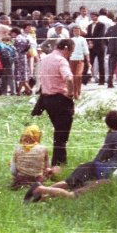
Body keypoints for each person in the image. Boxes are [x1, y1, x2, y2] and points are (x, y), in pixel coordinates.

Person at [33, 38, 76, 167]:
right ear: (66, 48)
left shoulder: (45, 59)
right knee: (61, 135)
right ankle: (59, 164)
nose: (70, 55)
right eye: (71, 52)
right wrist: (71, 93)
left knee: (58, 131)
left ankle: (59, 162)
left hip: (47, 99)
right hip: (60, 99)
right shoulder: (61, 61)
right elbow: (68, 78)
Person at [10, 125, 53, 189]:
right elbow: (48, 167)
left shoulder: (18, 149)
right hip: (37, 181)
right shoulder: (43, 148)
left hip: (20, 180)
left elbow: (13, 171)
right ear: (38, 135)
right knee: (49, 171)